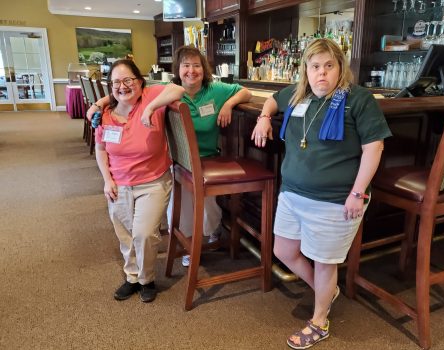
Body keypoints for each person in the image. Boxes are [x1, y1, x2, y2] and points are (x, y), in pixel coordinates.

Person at [251, 38, 392, 349]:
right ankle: (325, 291)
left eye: (329, 65)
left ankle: (319, 322)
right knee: (284, 252)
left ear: (340, 67)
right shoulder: (299, 93)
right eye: (315, 67)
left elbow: (374, 147)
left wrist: (358, 193)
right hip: (292, 192)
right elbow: (274, 99)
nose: (322, 73)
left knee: (325, 262)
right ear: (306, 69)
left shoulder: (358, 99)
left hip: (335, 199)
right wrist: (263, 118)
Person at [91, 59, 185, 303]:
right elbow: (100, 149)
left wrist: (149, 108)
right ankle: (132, 277)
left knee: (143, 234)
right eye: (116, 83)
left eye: (128, 80)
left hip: (153, 181)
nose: (122, 87)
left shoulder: (150, 95)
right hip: (119, 183)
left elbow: (178, 89)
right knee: (125, 234)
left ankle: (147, 278)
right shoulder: (105, 115)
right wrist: (107, 180)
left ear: (140, 82)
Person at [165, 45, 252, 267]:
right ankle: (189, 244)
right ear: (178, 69)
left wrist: (229, 105)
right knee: (184, 201)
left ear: (203, 69)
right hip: (179, 162)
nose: (191, 71)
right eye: (186, 65)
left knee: (208, 203)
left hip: (208, 159)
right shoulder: (170, 92)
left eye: (196, 65)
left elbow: (245, 92)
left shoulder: (214, 90)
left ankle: (212, 230)